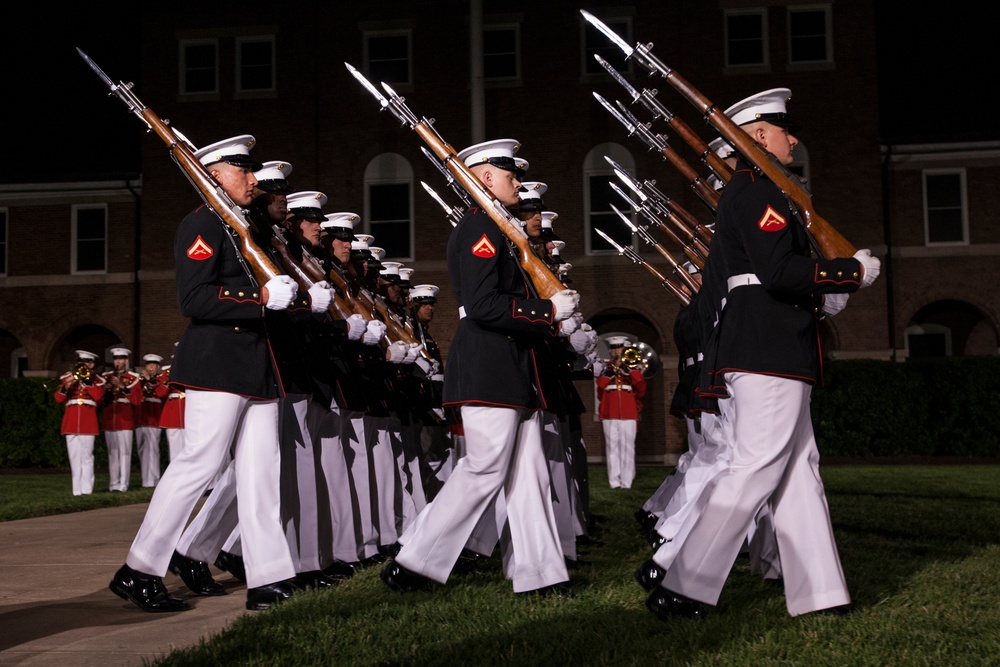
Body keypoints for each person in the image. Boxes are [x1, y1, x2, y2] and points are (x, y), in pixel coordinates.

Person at [647, 88, 881, 619]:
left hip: (772, 343)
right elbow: (775, 273)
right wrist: (848, 272)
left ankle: (820, 593)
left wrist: (827, 289)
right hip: (767, 346)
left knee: (799, 470)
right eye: (783, 129)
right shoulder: (759, 190)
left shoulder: (758, 190)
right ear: (757, 136)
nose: (792, 137)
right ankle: (684, 584)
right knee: (756, 466)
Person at [109, 134, 308, 612]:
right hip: (218, 362)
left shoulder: (249, 227)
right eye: (244, 170)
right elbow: (193, 299)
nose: (254, 178)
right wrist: (258, 299)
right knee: (198, 464)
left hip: (258, 366)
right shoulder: (202, 225)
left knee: (261, 475)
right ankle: (139, 569)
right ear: (215, 174)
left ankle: (269, 578)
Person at [381, 138, 580, 596]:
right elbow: (484, 304)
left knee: (526, 474)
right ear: (486, 178)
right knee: (485, 468)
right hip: (490, 362)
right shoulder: (481, 231)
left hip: (511, 363)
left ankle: (540, 574)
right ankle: (414, 562)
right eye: (510, 174)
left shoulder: (500, 232)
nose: (518, 181)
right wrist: (547, 312)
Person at [595, 336, 647, 489]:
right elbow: (600, 388)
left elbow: (641, 389)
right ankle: (614, 481)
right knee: (612, 446)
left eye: (619, 348)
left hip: (628, 410)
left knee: (628, 446)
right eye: (613, 348)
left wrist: (629, 370)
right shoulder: (605, 367)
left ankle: (627, 481)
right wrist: (613, 370)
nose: (616, 351)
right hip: (609, 410)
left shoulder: (633, 366)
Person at [53, 350, 106, 496]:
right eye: (82, 363)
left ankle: (87, 489)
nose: (84, 365)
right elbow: (58, 398)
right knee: (74, 457)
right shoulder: (68, 378)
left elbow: (98, 397)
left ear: (92, 364)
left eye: (87, 363)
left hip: (88, 422)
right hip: (70, 422)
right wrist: (66, 387)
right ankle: (76, 490)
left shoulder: (97, 380)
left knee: (87, 457)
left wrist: (88, 381)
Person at [100, 347, 142, 492]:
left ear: (126, 360)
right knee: (112, 452)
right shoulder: (106, 377)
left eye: (121, 359)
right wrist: (105, 388)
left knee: (125, 452)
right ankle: (113, 483)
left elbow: (137, 400)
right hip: (110, 419)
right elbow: (99, 400)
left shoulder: (133, 378)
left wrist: (123, 387)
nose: (118, 362)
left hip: (125, 420)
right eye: (116, 359)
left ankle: (123, 484)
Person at [135, 353, 166, 487]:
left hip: (154, 419)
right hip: (141, 419)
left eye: (153, 365)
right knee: (142, 449)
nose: (151, 368)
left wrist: (149, 380)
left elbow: (161, 393)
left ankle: (154, 479)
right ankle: (145, 479)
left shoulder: (159, 379)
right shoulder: (139, 380)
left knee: (153, 449)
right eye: (149, 365)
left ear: (158, 367)